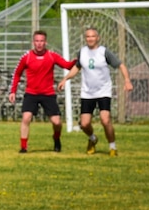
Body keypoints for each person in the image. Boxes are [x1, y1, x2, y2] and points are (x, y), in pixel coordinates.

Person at [57, 27, 133, 157]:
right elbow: (77, 67)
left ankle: (112, 147)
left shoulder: (104, 52)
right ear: (85, 38)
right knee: (85, 124)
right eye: (88, 36)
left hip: (103, 91)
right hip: (87, 93)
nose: (90, 39)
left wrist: (127, 80)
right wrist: (65, 79)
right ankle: (92, 139)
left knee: (105, 120)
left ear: (97, 38)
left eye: (93, 36)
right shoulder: (82, 52)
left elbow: (120, 65)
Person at [8, 30, 76, 153]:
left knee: (56, 122)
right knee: (26, 118)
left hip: (48, 93)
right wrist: (13, 91)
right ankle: (23, 147)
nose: (39, 44)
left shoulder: (52, 56)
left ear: (46, 42)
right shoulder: (26, 57)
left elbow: (67, 65)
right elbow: (17, 74)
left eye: (41, 41)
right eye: (37, 41)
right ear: (33, 42)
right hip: (31, 93)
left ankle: (56, 138)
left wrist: (77, 61)